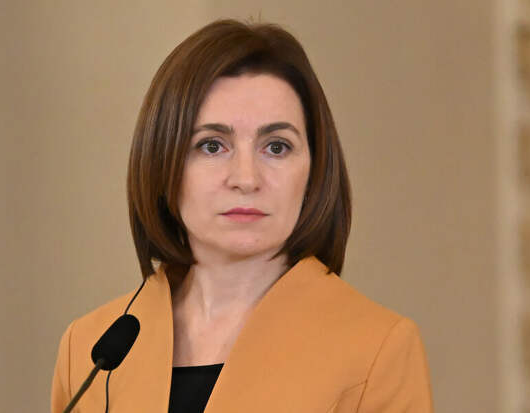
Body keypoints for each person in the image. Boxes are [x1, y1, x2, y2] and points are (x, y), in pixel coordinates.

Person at [51, 18, 434, 413]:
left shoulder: (376, 347)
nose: (246, 179)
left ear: (314, 170)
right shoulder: (89, 349)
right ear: (162, 163)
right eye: (212, 145)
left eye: (277, 147)